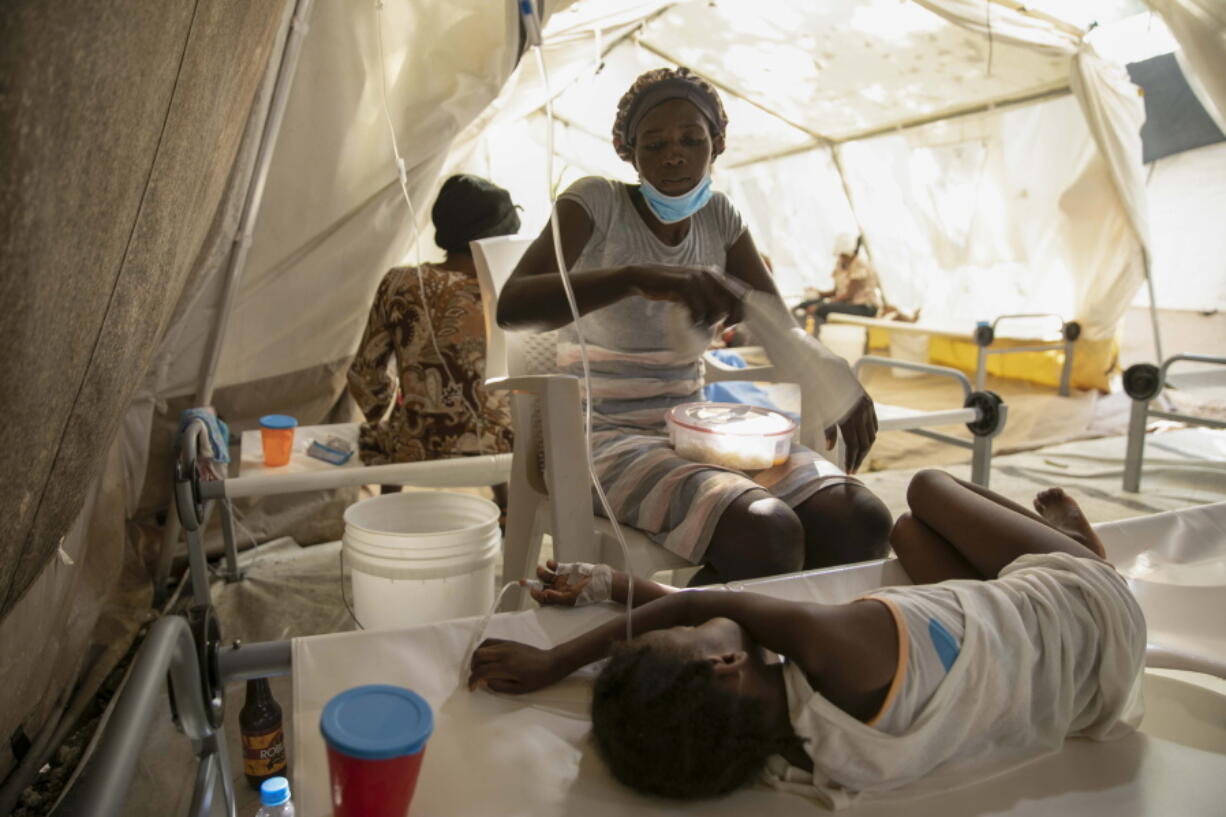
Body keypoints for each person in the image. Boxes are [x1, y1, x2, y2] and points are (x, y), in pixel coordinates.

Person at [467, 472, 1145, 807]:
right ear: (729, 662)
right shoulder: (832, 646)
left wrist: (614, 585)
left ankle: (1043, 554)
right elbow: (707, 600)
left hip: (1085, 685)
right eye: (691, 639)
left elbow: (702, 621)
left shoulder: (791, 753)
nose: (692, 627)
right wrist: (558, 659)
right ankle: (1082, 547)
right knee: (922, 497)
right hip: (1089, 609)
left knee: (910, 542)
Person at [497, 67, 891, 583]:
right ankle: (687, 648)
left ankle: (755, 644)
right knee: (766, 531)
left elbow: (773, 321)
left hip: (693, 428)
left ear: (718, 143)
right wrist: (636, 277)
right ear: (627, 150)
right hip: (599, 436)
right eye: (654, 144)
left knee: (858, 520)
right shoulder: (596, 204)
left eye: (691, 139)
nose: (673, 155)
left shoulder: (720, 218)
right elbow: (513, 306)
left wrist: (832, 374)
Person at [347, 174, 519, 500]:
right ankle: (507, 507)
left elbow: (365, 372)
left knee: (396, 427)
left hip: (414, 449)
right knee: (493, 409)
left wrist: (389, 403)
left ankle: (388, 506)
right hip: (502, 451)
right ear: (502, 234)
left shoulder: (401, 283)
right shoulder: (513, 291)